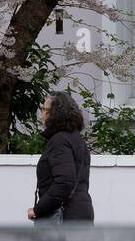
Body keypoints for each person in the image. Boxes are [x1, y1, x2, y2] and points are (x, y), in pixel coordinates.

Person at [26, 91, 94, 224]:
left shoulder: (59, 141)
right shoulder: (77, 139)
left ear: (54, 113)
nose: (42, 114)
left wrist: (38, 209)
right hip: (80, 213)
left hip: (63, 218)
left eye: (44, 109)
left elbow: (65, 182)